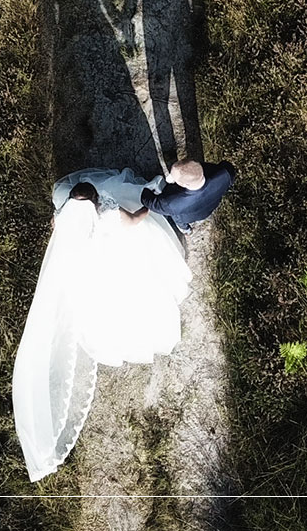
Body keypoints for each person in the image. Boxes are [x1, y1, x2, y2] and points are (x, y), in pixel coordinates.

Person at [12, 168, 191, 482]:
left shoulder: (62, 221)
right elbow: (135, 221)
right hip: (115, 255)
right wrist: (152, 207)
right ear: (94, 203)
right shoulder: (108, 214)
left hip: (90, 272)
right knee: (141, 246)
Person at [139, 159, 236, 234]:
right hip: (210, 207)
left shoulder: (172, 203)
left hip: (186, 217)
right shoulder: (224, 173)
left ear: (184, 184)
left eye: (174, 178)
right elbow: (228, 171)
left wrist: (146, 190)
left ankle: (186, 230)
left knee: (178, 220)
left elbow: (148, 202)